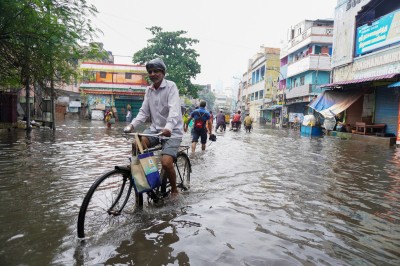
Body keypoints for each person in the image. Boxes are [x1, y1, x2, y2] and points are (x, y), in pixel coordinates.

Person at [124, 58, 183, 196]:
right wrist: (132, 125)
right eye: (150, 71)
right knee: (137, 144)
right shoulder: (149, 90)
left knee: (166, 162)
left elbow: (174, 111)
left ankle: (174, 190)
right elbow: (143, 112)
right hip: (156, 129)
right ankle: (147, 173)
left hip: (172, 131)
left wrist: (168, 128)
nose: (152, 74)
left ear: (162, 73)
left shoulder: (171, 87)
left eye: (156, 71)